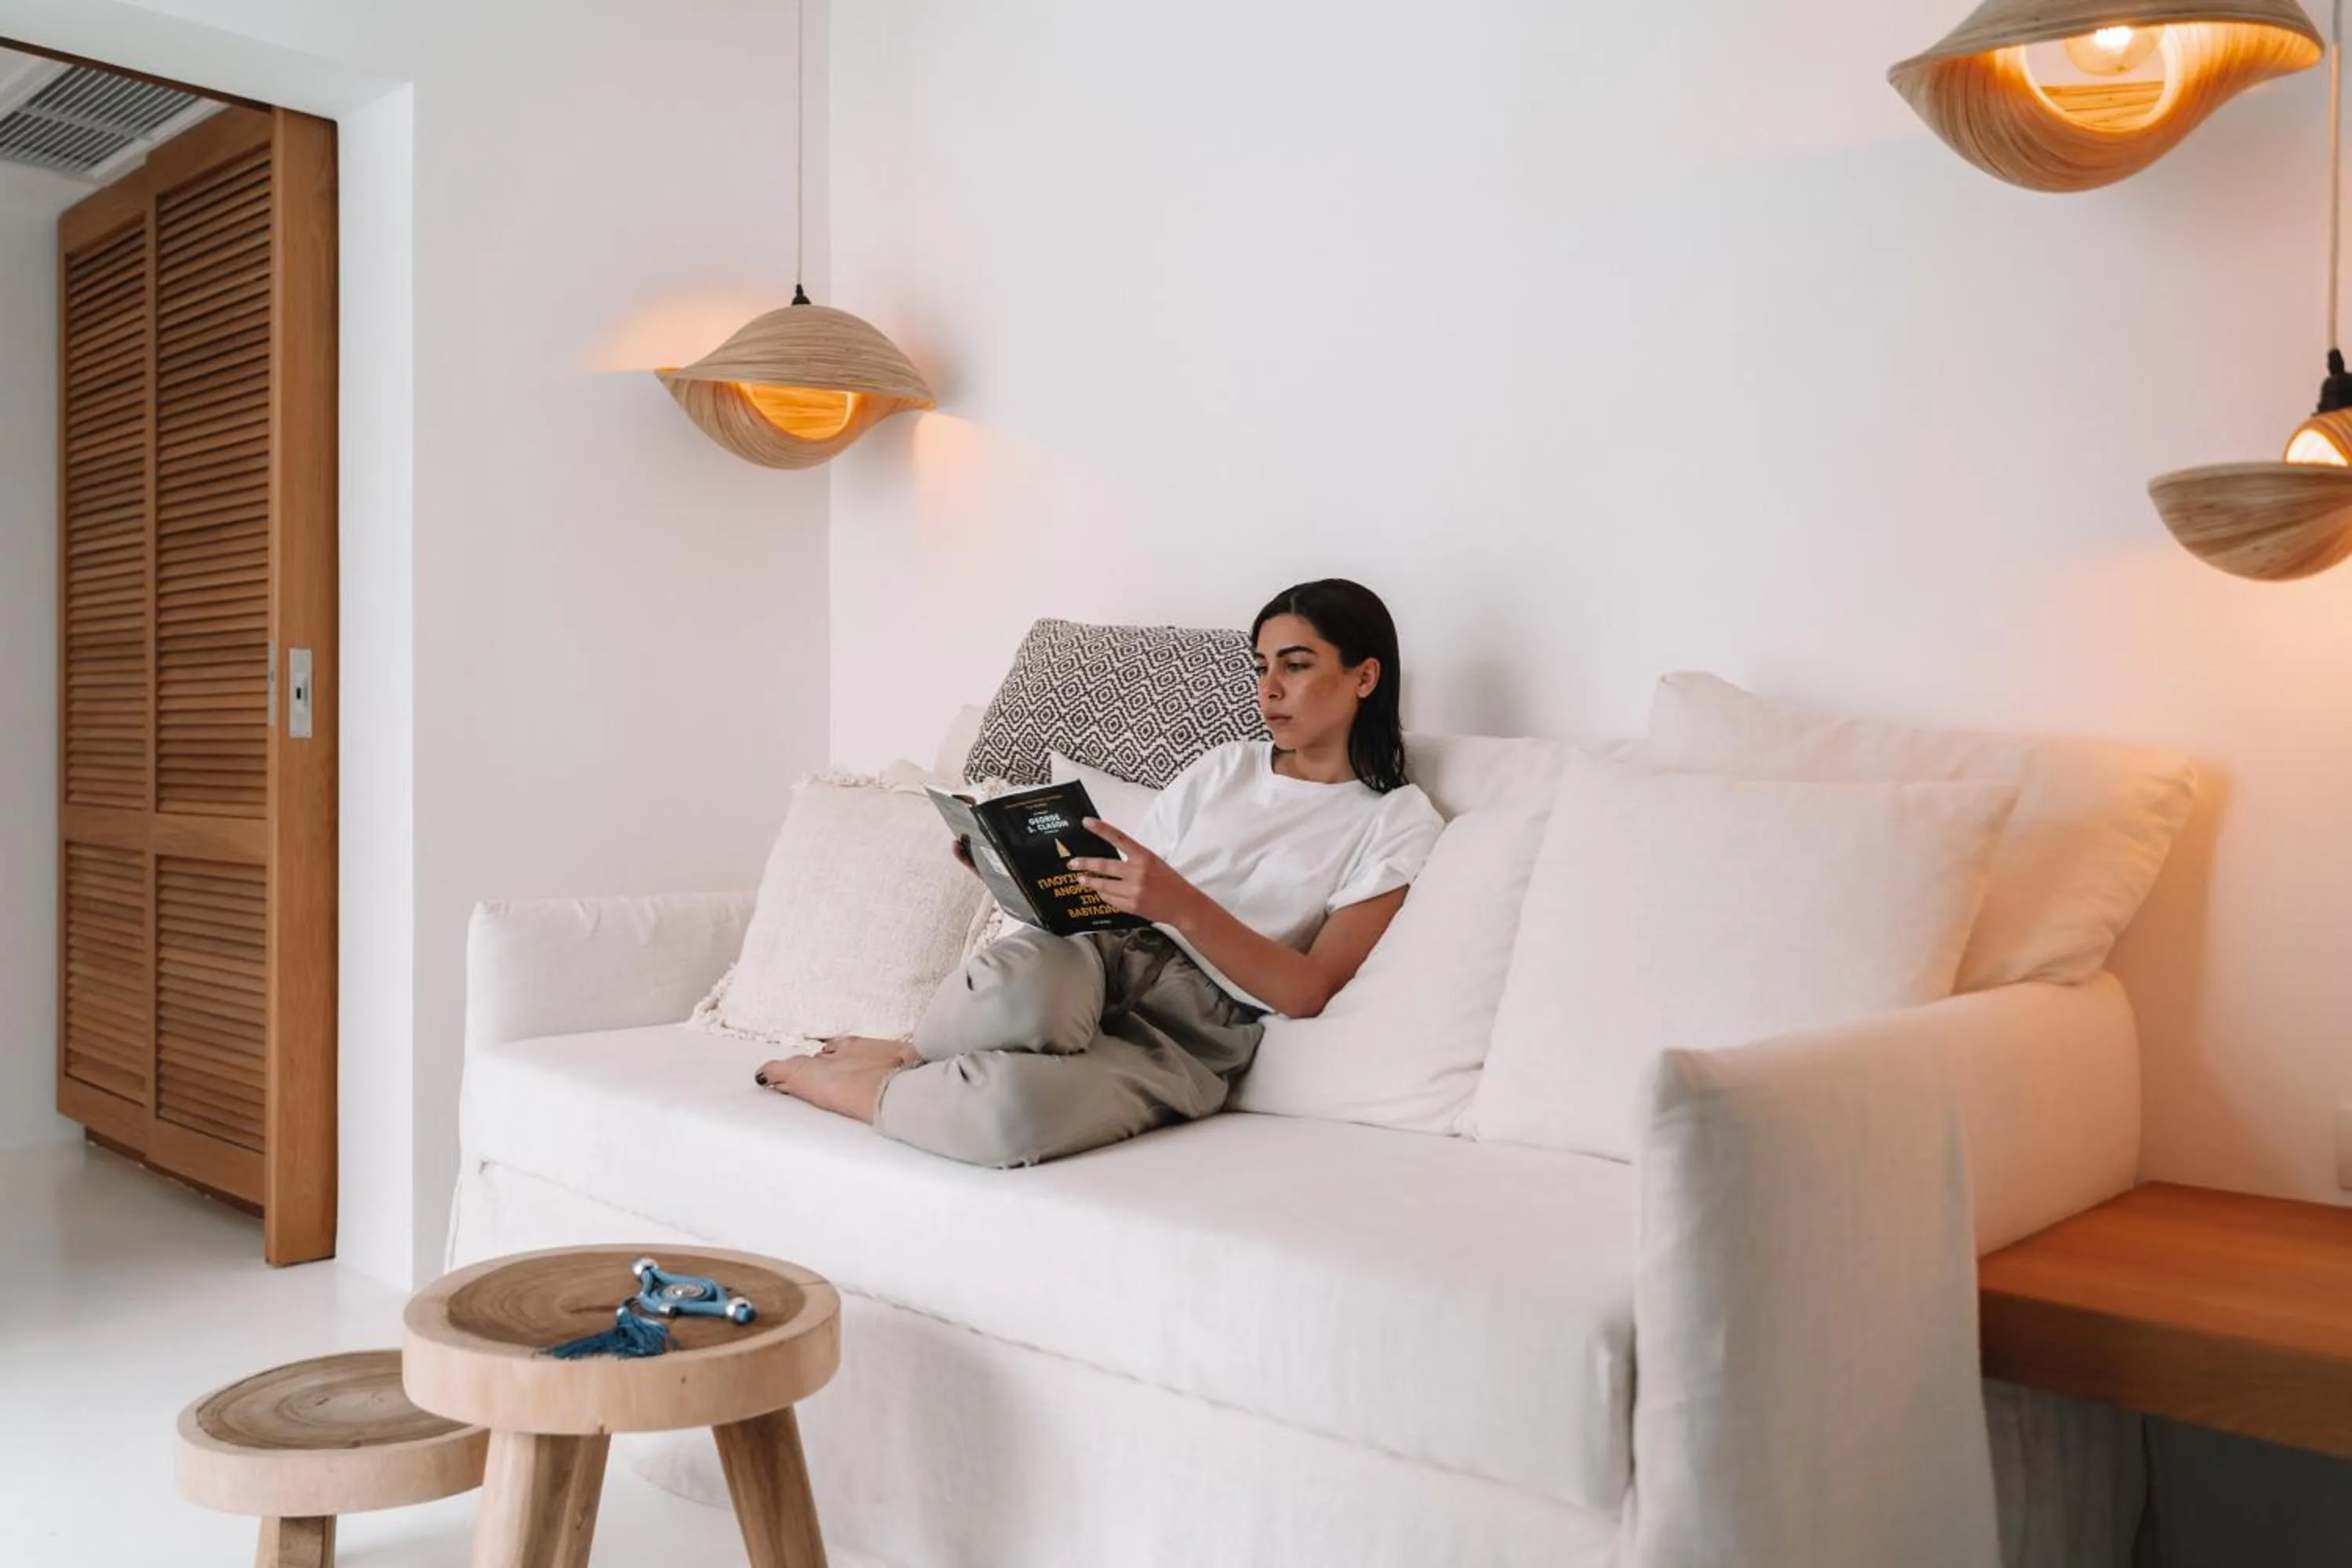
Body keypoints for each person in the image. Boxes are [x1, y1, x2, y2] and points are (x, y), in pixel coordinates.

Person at [759, 579, 1444, 1167]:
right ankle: (913, 1052)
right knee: (1015, 985)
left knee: (1009, 1115)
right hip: (1104, 952)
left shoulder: (1396, 819)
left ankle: (851, 1087)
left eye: (1295, 665)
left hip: (1194, 1028)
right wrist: (1015, 875)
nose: (1269, 690)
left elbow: (1309, 991)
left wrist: (1182, 906)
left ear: (1365, 676)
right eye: (1261, 665)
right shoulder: (1225, 767)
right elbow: (1120, 891)